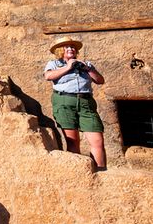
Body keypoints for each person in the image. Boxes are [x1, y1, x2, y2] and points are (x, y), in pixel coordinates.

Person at [44, 36, 107, 169]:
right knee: (73, 141)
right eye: (67, 47)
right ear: (60, 50)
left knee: (97, 141)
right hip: (64, 101)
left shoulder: (86, 64)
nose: (71, 48)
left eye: (73, 47)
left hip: (85, 102)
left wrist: (88, 69)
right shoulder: (54, 64)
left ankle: (101, 172)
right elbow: (48, 76)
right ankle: (79, 173)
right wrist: (68, 67)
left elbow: (100, 80)